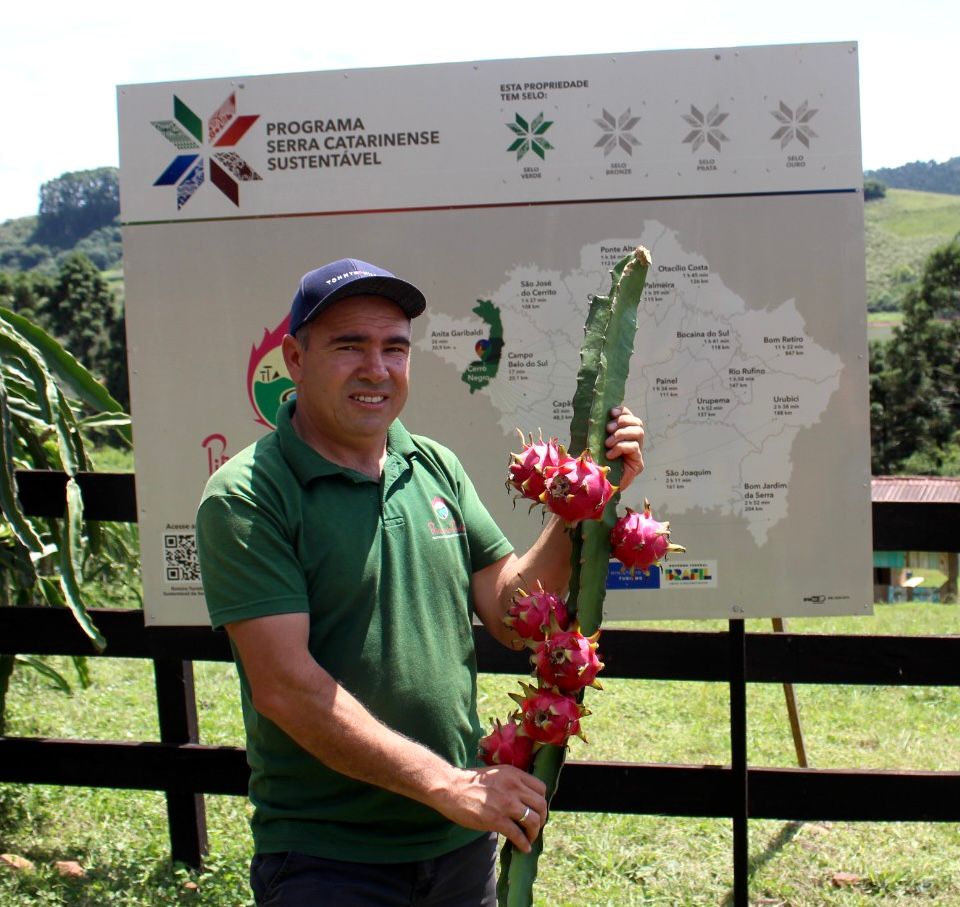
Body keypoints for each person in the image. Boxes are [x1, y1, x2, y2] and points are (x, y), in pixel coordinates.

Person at [195, 258, 645, 906]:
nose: (375, 368)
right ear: (294, 357)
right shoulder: (248, 495)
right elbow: (286, 688)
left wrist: (586, 504)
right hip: (329, 859)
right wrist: (448, 784)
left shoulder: (433, 465)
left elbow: (510, 612)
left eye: (393, 348)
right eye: (349, 346)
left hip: (457, 845)